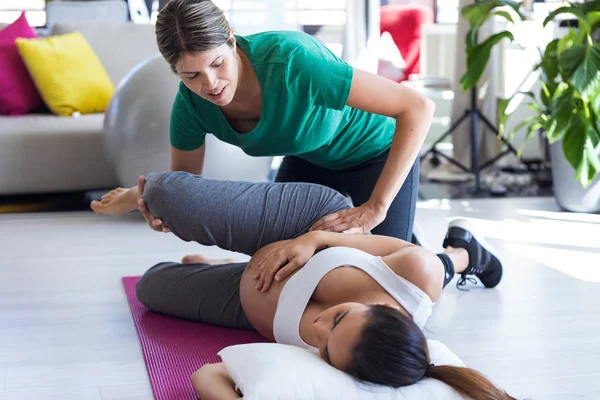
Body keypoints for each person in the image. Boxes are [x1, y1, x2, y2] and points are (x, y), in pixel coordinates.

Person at [124, 171, 509, 400]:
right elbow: (356, 238)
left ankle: (221, 266)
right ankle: (464, 251)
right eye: (339, 318)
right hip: (310, 227)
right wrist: (309, 242)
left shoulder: (347, 361)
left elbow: (205, 377)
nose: (319, 328)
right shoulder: (412, 276)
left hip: (246, 296)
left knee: (150, 287)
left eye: (323, 351)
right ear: (385, 311)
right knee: (167, 196)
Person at [91, 0, 436, 243]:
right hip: (308, 158)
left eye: (217, 64)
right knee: (279, 264)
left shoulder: (294, 61)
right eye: (191, 75)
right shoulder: (191, 108)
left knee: (389, 277)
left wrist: (376, 209)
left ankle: (459, 254)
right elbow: (185, 187)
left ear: (231, 37)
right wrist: (150, 198)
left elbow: (418, 108)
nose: (210, 85)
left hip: (375, 152)